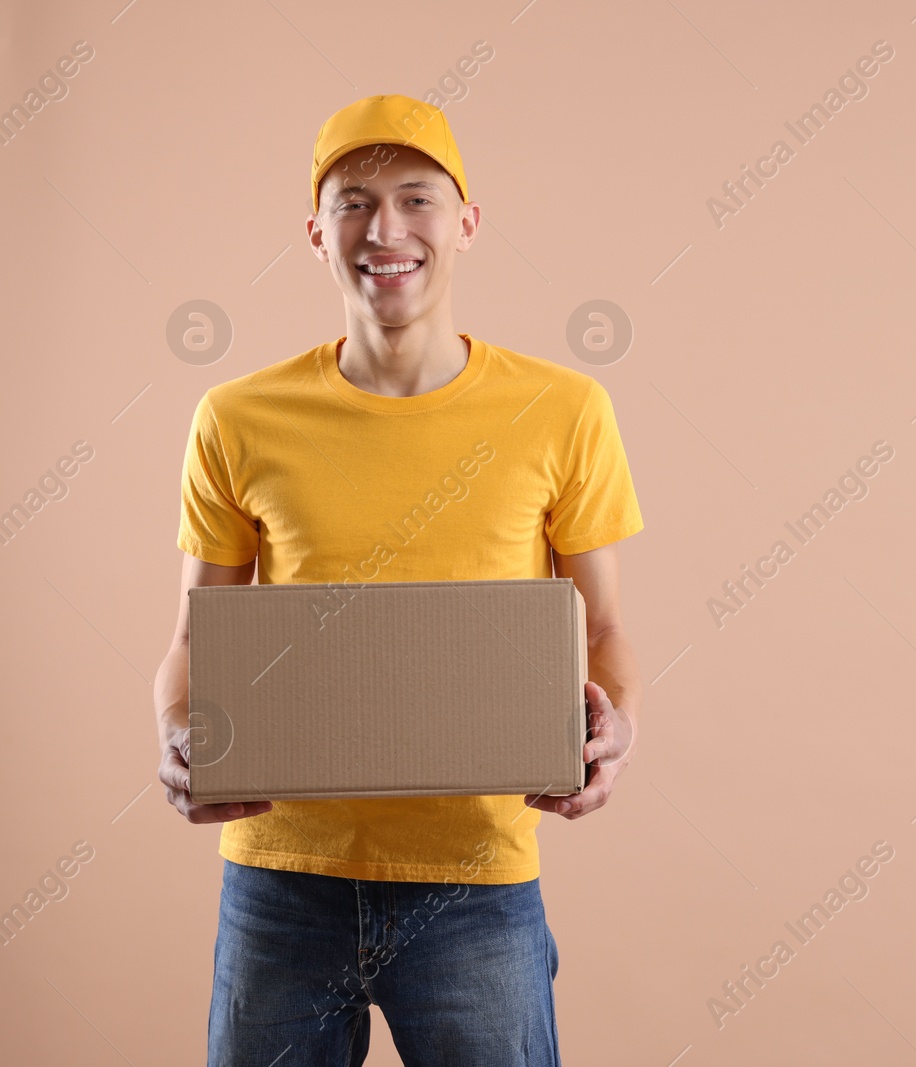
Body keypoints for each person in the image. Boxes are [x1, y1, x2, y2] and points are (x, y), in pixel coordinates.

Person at [152, 94, 644, 1067]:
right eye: (353, 202)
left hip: (475, 873)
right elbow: (195, 639)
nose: (385, 229)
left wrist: (618, 721)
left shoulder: (562, 409)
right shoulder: (237, 416)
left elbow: (603, 628)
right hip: (281, 873)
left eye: (417, 199)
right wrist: (177, 737)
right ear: (315, 232)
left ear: (464, 225)